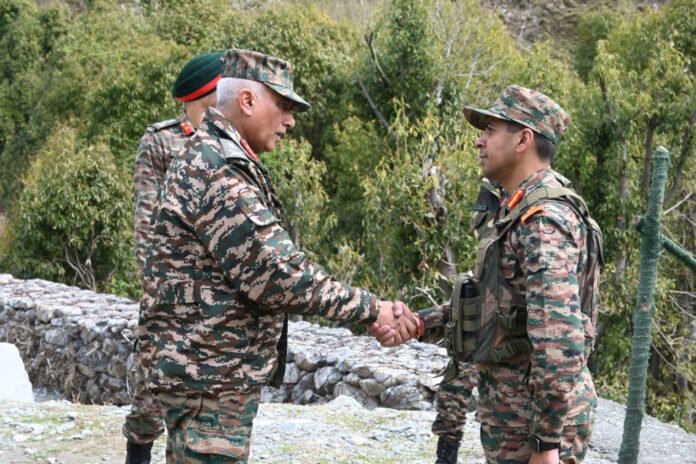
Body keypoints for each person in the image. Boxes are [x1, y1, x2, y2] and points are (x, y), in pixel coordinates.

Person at [136, 48, 419, 464]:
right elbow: (280, 275)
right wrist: (373, 309)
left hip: (210, 376)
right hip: (209, 379)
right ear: (247, 100)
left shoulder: (217, 157)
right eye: (283, 106)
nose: (290, 122)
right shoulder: (218, 170)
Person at [386, 85, 603, 464]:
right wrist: (420, 323)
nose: (479, 141)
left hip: (533, 426)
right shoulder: (515, 210)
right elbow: (495, 307)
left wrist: (546, 445)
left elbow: (559, 339)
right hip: (515, 417)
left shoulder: (543, 221)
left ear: (523, 140)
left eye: (490, 130)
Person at [124, 51, 224, 464]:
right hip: (168, 286)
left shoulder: (230, 142)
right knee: (152, 387)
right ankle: (138, 453)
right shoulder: (162, 141)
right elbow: (147, 222)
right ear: (205, 95)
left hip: (216, 290)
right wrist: (157, 288)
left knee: (204, 394)